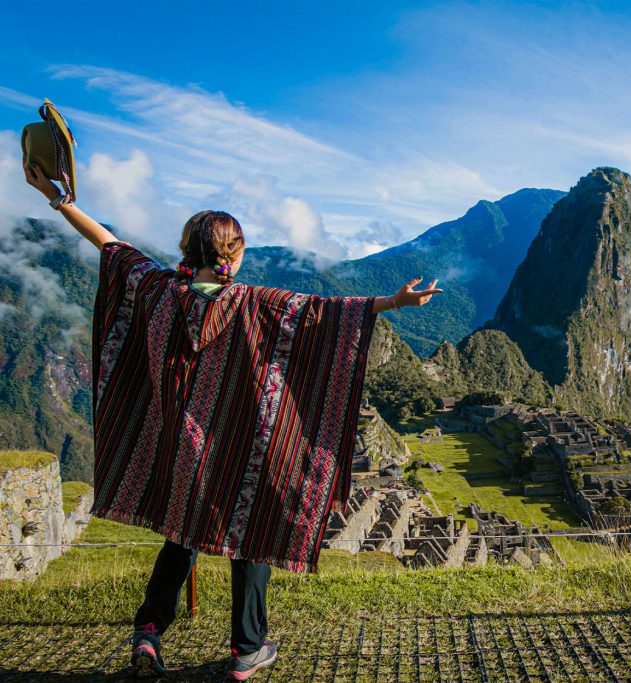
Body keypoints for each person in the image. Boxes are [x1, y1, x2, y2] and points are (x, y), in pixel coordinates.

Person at [23, 159, 442, 680]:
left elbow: (110, 245)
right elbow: (324, 312)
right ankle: (248, 650)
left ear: (186, 252)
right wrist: (394, 301)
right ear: (235, 254)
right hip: (236, 453)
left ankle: (150, 633)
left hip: (179, 450)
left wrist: (60, 199)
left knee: (181, 535)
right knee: (252, 534)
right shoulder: (255, 304)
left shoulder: (157, 291)